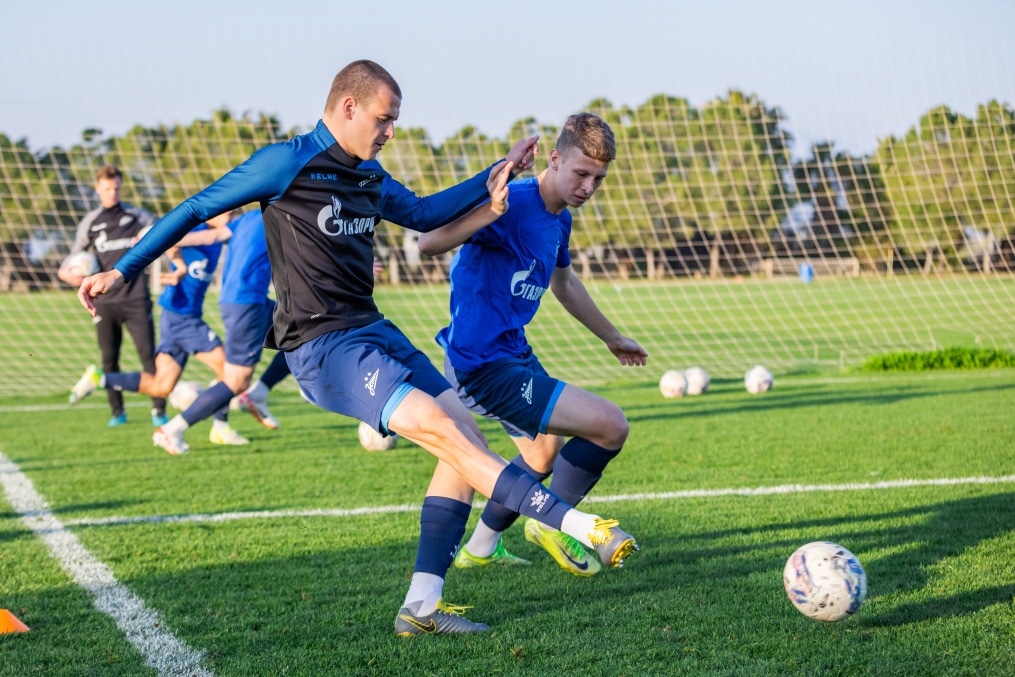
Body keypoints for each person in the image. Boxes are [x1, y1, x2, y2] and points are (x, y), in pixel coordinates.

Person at [74, 60, 637, 635]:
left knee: (461, 431)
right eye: (384, 119)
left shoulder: (370, 177)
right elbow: (196, 208)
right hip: (320, 345)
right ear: (348, 107)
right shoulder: (286, 162)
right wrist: (122, 270)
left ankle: (420, 607)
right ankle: (574, 523)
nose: (390, 131)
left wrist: (497, 172)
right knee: (441, 429)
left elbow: (423, 214)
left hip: (372, 328)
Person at [419, 112, 648, 579]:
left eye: (598, 179)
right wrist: (488, 211)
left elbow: (564, 283)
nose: (588, 187)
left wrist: (612, 337)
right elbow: (428, 243)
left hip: (513, 353)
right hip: (480, 364)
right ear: (554, 158)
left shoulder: (559, 219)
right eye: (581, 173)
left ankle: (481, 548)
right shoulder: (513, 201)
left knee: (543, 455)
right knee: (610, 425)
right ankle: (552, 523)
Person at [69, 213, 250, 451]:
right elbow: (170, 239)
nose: (232, 215)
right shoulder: (196, 230)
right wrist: (180, 266)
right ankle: (220, 427)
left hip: (176, 317)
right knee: (229, 370)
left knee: (161, 386)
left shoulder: (222, 235)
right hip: (182, 317)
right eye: (228, 211)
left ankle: (100, 379)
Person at [58, 165, 167, 427]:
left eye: (116, 187)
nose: (112, 193)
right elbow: (70, 262)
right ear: (98, 189)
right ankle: (118, 412)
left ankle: (159, 410)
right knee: (109, 357)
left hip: (136, 298)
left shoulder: (136, 215)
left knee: (147, 355)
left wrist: (146, 237)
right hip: (104, 302)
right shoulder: (90, 222)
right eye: (107, 188)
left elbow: (161, 233)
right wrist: (70, 276)